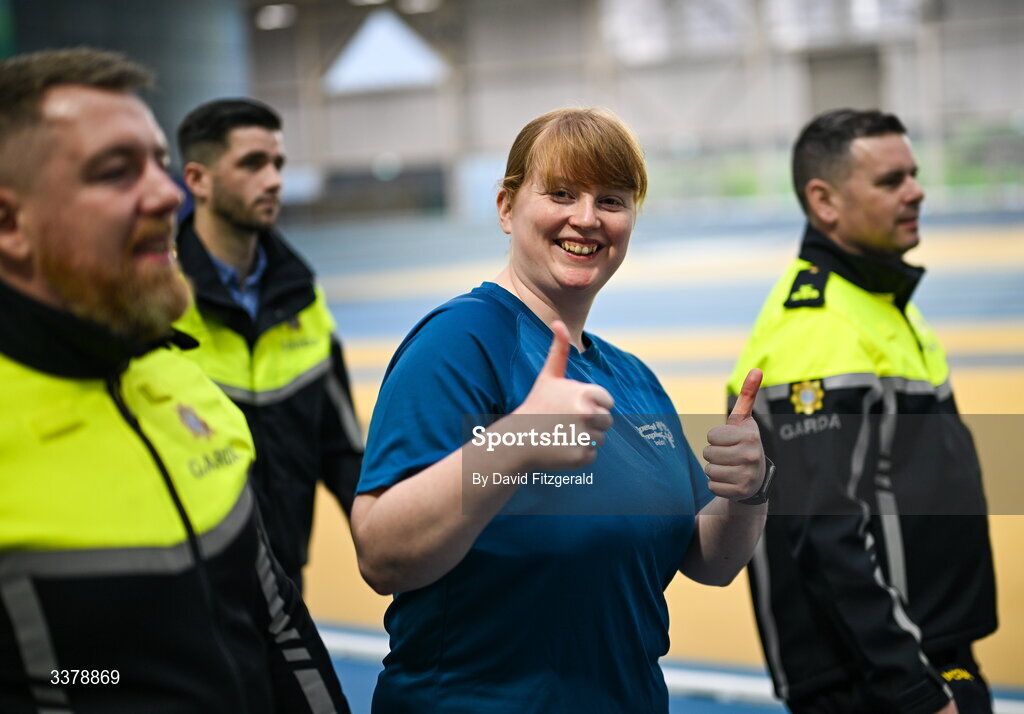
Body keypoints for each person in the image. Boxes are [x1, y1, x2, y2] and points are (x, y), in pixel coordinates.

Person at [351, 107, 771, 713]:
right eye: (561, 193)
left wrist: (749, 489)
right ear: (505, 207)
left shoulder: (633, 378)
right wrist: (516, 440)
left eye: (612, 199)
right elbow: (382, 555)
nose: (586, 218)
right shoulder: (460, 342)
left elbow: (709, 560)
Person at [0, 48, 349, 712]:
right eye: (114, 172)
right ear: (10, 223)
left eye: (159, 165)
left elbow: (280, 637)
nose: (166, 195)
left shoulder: (189, 393)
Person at [728, 109, 997, 714]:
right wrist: (913, 689)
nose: (917, 190)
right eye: (891, 180)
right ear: (823, 201)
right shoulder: (816, 327)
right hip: (880, 682)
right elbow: (827, 533)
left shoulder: (879, 303)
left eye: (914, 174)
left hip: (930, 653)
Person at [174, 98, 362, 591]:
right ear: (198, 180)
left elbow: (344, 451)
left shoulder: (303, 297)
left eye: (277, 163)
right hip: (190, 586)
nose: (274, 179)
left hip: (286, 576)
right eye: (252, 164)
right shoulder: (156, 303)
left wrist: (390, 543)